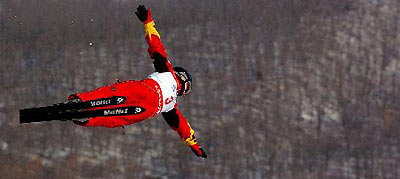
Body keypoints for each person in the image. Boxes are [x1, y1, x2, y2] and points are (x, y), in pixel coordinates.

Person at [68, 5, 207, 158]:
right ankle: (87, 118)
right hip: (150, 109)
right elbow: (184, 129)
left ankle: (82, 101)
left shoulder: (167, 73)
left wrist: (148, 22)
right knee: (117, 117)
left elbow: (156, 46)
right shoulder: (171, 106)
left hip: (147, 89)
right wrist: (194, 145)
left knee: (114, 92)